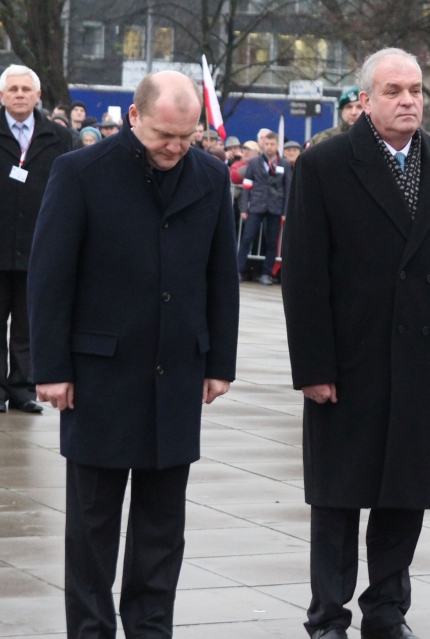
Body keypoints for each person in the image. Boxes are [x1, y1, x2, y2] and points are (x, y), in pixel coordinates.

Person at [281, 47, 430, 639]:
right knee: (338, 496)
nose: (408, 101)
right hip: (350, 360)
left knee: (405, 493)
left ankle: (387, 610)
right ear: (365, 101)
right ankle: (328, 615)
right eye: (394, 91)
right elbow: (304, 275)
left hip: (422, 359)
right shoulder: (325, 165)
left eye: (415, 90)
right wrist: (313, 366)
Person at [28, 71, 239, 639]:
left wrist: (220, 362)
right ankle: (91, 631)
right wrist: (51, 369)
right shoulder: (79, 172)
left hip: (178, 373)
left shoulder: (210, 176)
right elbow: (50, 276)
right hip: (99, 375)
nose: (175, 148)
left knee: (162, 527)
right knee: (93, 526)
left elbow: (222, 275)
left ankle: (150, 628)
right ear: (133, 117)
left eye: (187, 137)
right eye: (164, 136)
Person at [0, 65, 75, 414]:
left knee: (28, 325)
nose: (19, 94)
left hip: (37, 246)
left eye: (26, 89)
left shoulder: (58, 137)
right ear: (2, 96)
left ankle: (23, 389)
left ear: (38, 95)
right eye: (13, 89)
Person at [237, 130, 291, 286]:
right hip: (256, 205)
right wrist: (244, 208)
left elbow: (287, 188)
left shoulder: (284, 163)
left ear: (277, 145)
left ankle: (266, 274)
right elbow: (247, 186)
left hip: (276, 207)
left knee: (272, 243)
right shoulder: (254, 162)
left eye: (272, 144)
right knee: (247, 238)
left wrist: (285, 211)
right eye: (266, 144)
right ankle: (238, 270)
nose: (269, 147)